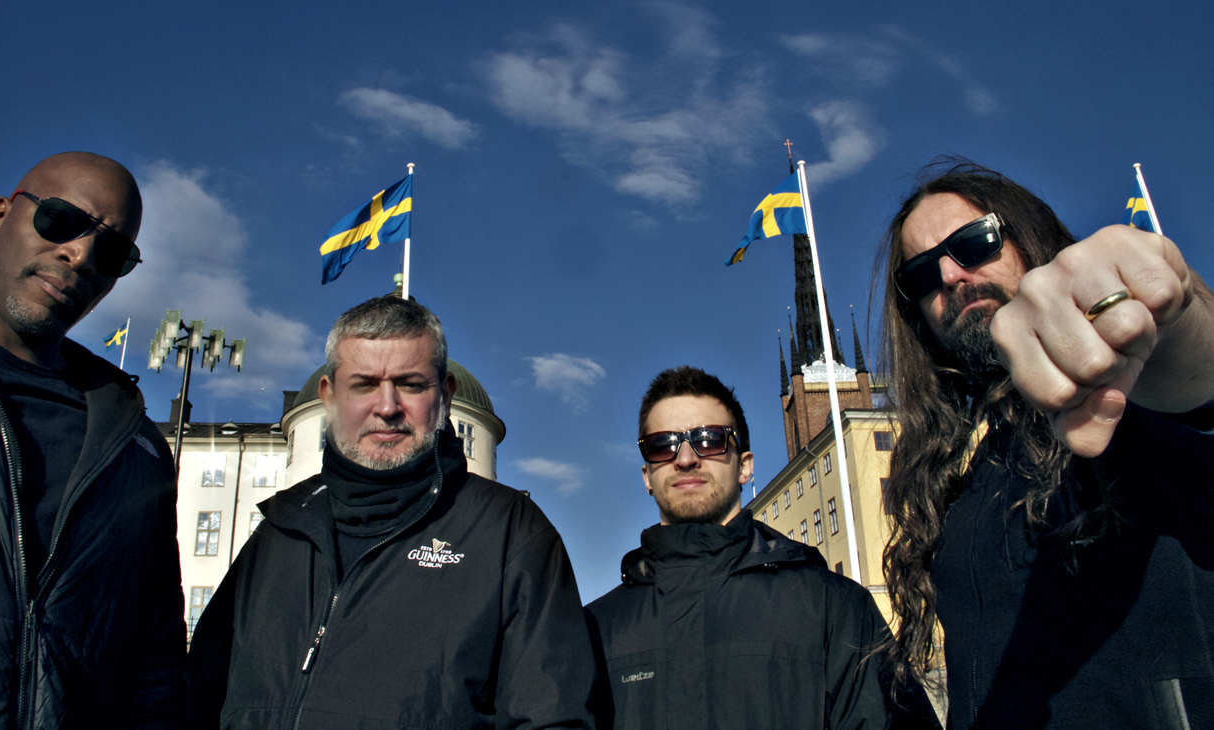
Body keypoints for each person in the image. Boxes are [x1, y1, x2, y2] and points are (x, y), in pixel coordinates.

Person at [878, 159, 1214, 729]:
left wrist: (1171, 322)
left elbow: (1196, 391)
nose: (952, 276)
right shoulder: (960, 490)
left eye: (974, 242)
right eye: (923, 275)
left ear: (1027, 236)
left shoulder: (1126, 399)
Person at [187, 296, 596, 729]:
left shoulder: (511, 535)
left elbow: (553, 719)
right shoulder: (279, 532)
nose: (387, 407)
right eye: (363, 384)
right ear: (329, 396)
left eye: (411, 384)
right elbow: (193, 702)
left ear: (446, 394)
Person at [0, 152, 186, 727]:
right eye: (61, 220)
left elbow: (153, 659)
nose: (81, 255)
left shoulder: (135, 447)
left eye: (113, 252)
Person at [585, 366, 935, 730]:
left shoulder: (835, 609)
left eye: (709, 439)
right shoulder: (596, 629)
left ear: (745, 466)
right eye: (663, 445)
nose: (685, 458)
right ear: (647, 476)